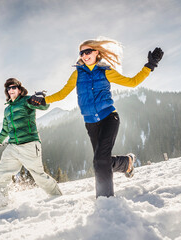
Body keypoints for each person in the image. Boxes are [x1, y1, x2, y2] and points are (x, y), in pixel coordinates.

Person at [29, 39, 164, 198]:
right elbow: (62, 93)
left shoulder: (105, 71)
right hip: (91, 123)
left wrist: (150, 66)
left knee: (100, 160)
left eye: (88, 52)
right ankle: (126, 163)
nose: (84, 55)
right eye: (81, 53)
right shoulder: (77, 73)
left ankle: (105, 200)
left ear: (96, 53)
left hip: (109, 117)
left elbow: (132, 82)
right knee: (101, 161)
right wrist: (44, 100)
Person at [0, 78, 62, 197]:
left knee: (38, 175)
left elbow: (44, 106)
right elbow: (5, 130)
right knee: (2, 173)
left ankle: (57, 196)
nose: (11, 90)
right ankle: (2, 203)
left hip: (30, 144)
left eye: (13, 87)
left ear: (19, 89)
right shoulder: (7, 109)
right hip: (12, 146)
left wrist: (41, 100)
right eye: (8, 88)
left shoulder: (26, 100)